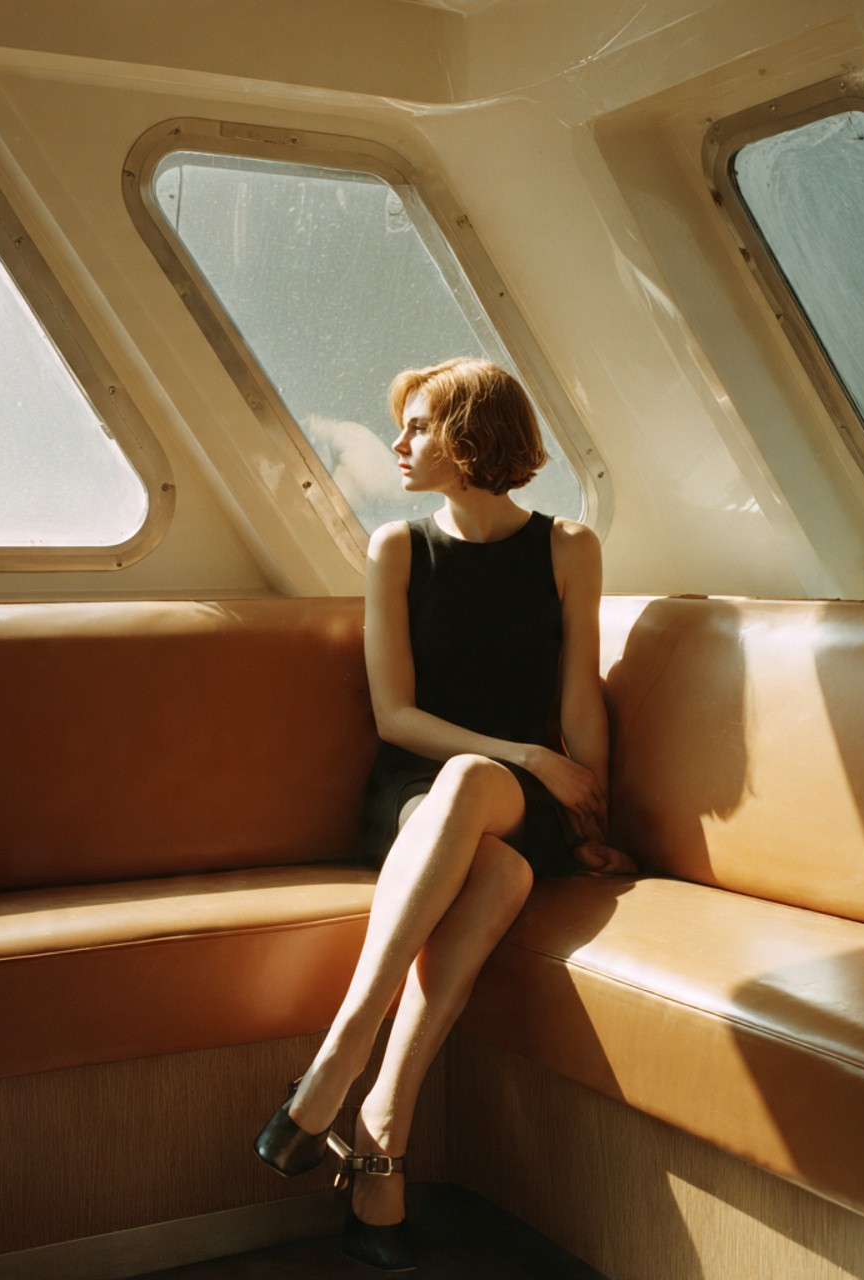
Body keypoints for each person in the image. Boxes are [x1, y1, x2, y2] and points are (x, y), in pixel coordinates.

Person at [253, 357, 635, 1272]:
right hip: (417, 787)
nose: (399, 443)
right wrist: (527, 753)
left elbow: (581, 700)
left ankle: (336, 1058)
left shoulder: (568, 547)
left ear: (471, 441)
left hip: (517, 792)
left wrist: (590, 815)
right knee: (493, 866)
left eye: (419, 426)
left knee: (484, 800)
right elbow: (396, 717)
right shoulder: (399, 549)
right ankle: (382, 1127)